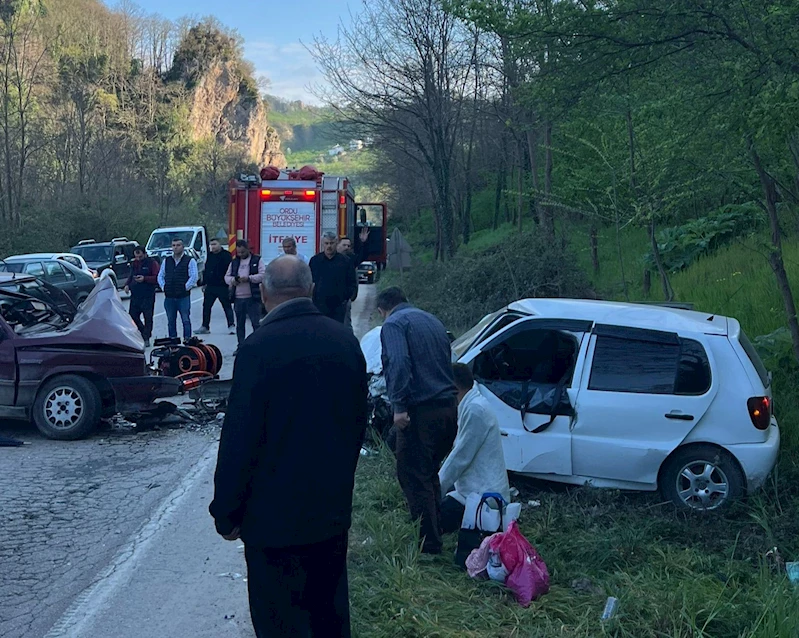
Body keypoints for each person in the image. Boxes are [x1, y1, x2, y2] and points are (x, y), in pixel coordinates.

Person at [210, 255, 368, 638]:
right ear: (311, 290)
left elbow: (239, 439)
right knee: (328, 620)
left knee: (281, 624)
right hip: (329, 516)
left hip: (271, 526)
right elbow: (357, 426)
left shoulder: (257, 350)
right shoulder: (344, 342)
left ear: (264, 295)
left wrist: (226, 513)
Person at [377, 286, 458, 554]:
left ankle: (429, 546)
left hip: (420, 412)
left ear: (382, 310)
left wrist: (399, 406)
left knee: (412, 476)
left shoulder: (394, 324)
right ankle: (437, 528)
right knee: (429, 473)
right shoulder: (431, 320)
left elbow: (399, 362)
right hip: (448, 408)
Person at [439, 363, 510, 534]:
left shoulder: (475, 410)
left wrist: (436, 488)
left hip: (485, 495)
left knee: (433, 519)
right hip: (474, 487)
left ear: (454, 387)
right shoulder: (471, 403)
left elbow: (460, 457)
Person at [225, 239, 265, 350]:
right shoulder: (234, 262)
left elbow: (263, 275)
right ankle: (241, 346)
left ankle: (259, 346)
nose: (241, 254)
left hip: (253, 298)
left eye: (243, 252)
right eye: (238, 252)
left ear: (248, 249)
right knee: (240, 325)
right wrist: (233, 280)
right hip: (238, 298)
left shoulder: (257, 260)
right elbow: (227, 277)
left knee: (256, 324)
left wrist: (249, 278)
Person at [309, 231, 356, 323]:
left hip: (338, 306)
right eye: (326, 243)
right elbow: (310, 281)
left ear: (336, 243)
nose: (329, 246)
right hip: (319, 305)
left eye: (331, 243)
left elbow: (352, 282)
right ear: (322, 244)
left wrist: (346, 298)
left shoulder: (345, 261)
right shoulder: (315, 261)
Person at [157, 238, 198, 341]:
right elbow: (160, 275)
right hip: (169, 297)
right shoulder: (167, 261)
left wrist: (185, 288)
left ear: (183, 247)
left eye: (178, 245)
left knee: (185, 319)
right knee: (171, 321)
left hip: (183, 297)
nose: (175, 247)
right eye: (173, 245)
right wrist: (164, 287)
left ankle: (187, 339)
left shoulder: (190, 260)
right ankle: (173, 340)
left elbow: (193, 276)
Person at [197, 238, 235, 336]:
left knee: (227, 306)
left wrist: (230, 283)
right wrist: (204, 283)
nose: (213, 246)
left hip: (222, 285)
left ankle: (231, 326)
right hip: (210, 286)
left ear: (219, 244)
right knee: (206, 307)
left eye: (214, 244)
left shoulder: (226, 255)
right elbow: (207, 269)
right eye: (211, 245)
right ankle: (205, 326)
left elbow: (230, 270)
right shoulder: (210, 255)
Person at [123, 246, 159, 347]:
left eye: (140, 256)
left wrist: (145, 278)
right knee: (132, 316)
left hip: (147, 294)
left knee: (148, 317)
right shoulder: (134, 264)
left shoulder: (152, 263)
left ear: (145, 254)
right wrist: (127, 285)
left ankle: (146, 337)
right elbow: (131, 275)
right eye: (136, 257)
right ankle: (143, 333)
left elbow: (157, 277)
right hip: (135, 295)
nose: (138, 259)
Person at [337, 228, 370, 331]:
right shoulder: (329, 259)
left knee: (346, 323)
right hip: (328, 299)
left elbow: (362, 257)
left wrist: (363, 243)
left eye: (348, 246)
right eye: (344, 245)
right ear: (337, 246)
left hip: (344, 299)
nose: (346, 248)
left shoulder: (350, 260)